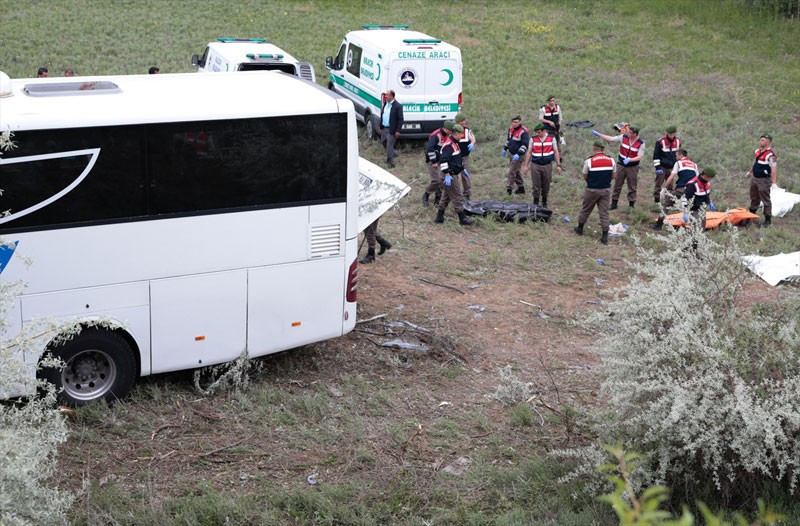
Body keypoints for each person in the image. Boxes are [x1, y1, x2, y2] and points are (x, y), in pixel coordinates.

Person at [592, 124, 645, 210]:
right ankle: (614, 203)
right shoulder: (623, 137)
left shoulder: (641, 143)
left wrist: (630, 160)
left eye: (630, 133)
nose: (628, 134)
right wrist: (600, 135)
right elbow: (612, 138)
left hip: (632, 167)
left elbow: (639, 156)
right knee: (617, 184)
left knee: (632, 186)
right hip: (621, 165)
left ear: (635, 134)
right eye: (628, 132)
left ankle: (631, 205)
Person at [574, 141, 616, 245]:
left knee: (586, 209)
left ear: (594, 149)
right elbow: (614, 176)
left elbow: (585, 175)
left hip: (592, 190)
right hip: (606, 190)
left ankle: (580, 228)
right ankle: (605, 236)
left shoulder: (589, 161)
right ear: (603, 149)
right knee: (604, 213)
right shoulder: (611, 160)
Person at [435, 124, 475, 225]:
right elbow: (443, 161)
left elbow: (456, 159)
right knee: (457, 196)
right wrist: (447, 174)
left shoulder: (454, 143)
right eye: (460, 134)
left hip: (452, 173)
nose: (462, 136)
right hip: (449, 175)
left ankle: (439, 217)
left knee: (446, 196)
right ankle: (462, 219)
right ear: (456, 133)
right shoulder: (449, 146)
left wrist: (462, 169)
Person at [652, 148, 698, 230]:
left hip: (681, 189)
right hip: (692, 190)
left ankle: (658, 225)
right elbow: (698, 180)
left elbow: (671, 177)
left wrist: (664, 188)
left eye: (676, 155)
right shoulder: (694, 165)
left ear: (681, 155)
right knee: (692, 208)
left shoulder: (679, 163)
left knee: (666, 204)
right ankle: (691, 228)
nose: (675, 157)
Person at [523, 122, 562, 207]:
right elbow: (529, 152)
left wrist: (558, 165)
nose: (537, 134)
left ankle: (544, 202)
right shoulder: (533, 139)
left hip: (547, 165)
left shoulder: (551, 139)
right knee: (536, 185)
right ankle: (535, 202)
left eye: (539, 132)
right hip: (535, 165)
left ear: (544, 131)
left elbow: (556, 152)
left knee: (546, 185)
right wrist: (526, 165)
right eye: (536, 132)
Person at [745, 133, 778, 228]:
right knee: (754, 197)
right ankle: (751, 216)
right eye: (760, 140)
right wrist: (750, 171)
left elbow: (773, 170)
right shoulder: (758, 151)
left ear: (768, 142)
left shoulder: (771, 155)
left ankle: (768, 220)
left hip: (764, 180)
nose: (760, 141)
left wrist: (774, 183)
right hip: (755, 178)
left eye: (763, 140)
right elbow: (755, 162)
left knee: (765, 200)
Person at [422, 120, 453, 206]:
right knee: (436, 180)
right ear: (446, 129)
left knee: (441, 180)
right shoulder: (436, 135)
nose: (452, 132)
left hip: (442, 160)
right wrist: (434, 161)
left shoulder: (449, 135)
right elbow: (429, 149)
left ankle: (438, 198)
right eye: (451, 130)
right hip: (433, 161)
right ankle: (426, 195)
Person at [652, 125, 681, 203]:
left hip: (672, 167)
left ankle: (668, 201)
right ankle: (657, 199)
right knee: (659, 183)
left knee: (670, 185)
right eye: (670, 134)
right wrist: (657, 167)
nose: (671, 136)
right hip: (662, 166)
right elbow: (656, 155)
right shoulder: (660, 142)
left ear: (675, 133)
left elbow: (679, 154)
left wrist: (678, 165)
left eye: (673, 134)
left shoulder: (678, 142)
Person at [502, 115, 530, 195]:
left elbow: (525, 145)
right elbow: (509, 140)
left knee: (511, 171)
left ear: (520, 121)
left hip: (519, 155)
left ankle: (509, 189)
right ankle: (521, 188)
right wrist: (505, 148)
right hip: (512, 153)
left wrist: (518, 154)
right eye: (513, 122)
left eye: (516, 122)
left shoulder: (524, 132)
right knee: (516, 171)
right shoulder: (511, 129)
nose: (514, 124)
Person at [380, 89, 403, 168]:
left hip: (392, 129)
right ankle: (393, 153)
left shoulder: (398, 106)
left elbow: (400, 119)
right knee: (383, 142)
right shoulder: (386, 104)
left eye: (387, 95)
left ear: (392, 96)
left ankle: (390, 163)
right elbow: (383, 114)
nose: (386, 96)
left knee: (389, 145)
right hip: (384, 127)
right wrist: (381, 125)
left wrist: (398, 130)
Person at [455, 113, 476, 200]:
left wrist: (472, 143)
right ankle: (455, 193)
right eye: (461, 122)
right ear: (457, 122)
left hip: (464, 156)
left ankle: (467, 193)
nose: (463, 123)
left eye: (464, 121)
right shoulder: (453, 131)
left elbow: (473, 138)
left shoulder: (467, 130)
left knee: (465, 175)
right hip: (455, 157)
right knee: (454, 176)